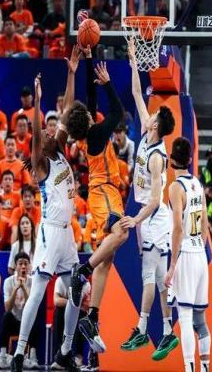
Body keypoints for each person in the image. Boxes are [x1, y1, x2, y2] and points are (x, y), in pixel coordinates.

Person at [12, 48, 83, 372]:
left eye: (53, 129)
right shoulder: (41, 163)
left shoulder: (60, 149)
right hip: (50, 231)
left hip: (67, 234)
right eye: (47, 130)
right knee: (39, 291)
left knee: (77, 288)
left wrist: (71, 72)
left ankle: (65, 351)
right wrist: (38, 101)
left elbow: (68, 110)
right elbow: (36, 135)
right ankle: (19, 353)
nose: (52, 130)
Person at [119, 41, 178, 359]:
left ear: (156, 125)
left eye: (154, 114)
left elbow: (155, 200)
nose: (150, 112)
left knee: (149, 275)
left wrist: (136, 219)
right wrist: (132, 62)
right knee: (157, 277)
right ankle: (167, 331)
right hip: (150, 216)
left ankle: (142, 329)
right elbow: (136, 93)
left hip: (154, 217)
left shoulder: (156, 157)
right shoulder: (146, 129)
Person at [68, 56, 127, 354]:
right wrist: (109, 84)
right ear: (89, 121)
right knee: (122, 233)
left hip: (104, 192)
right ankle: (82, 271)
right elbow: (118, 112)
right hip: (104, 191)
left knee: (109, 257)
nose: (93, 112)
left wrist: (90, 56)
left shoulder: (89, 131)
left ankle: (92, 317)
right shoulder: (98, 133)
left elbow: (90, 98)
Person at [160, 137, 210, 372]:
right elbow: (205, 223)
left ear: (171, 159)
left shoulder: (174, 187)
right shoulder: (198, 183)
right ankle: (205, 367)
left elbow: (178, 228)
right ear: (190, 159)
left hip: (186, 255)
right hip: (200, 253)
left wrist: (172, 266)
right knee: (201, 320)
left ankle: (189, 368)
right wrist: (203, 250)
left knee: (186, 317)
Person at [0, 252, 37, 369]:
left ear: (29, 266)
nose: (23, 266)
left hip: (26, 322)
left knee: (33, 315)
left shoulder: (33, 282)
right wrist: (16, 289)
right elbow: (7, 307)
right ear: (16, 266)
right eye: (20, 264)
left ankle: (32, 357)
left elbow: (32, 306)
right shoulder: (8, 281)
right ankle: (2, 356)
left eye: (26, 264)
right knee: (6, 316)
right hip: (13, 322)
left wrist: (24, 287)